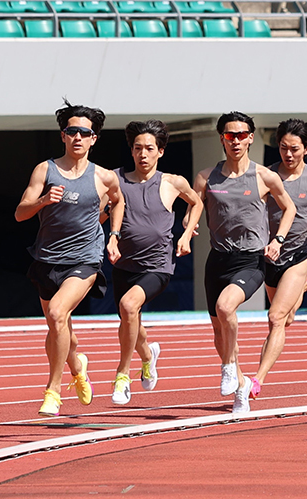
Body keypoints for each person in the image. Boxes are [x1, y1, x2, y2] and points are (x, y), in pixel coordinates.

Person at [15, 100, 123, 417]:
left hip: (85, 259)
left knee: (57, 313)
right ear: (63, 135)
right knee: (59, 327)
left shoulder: (104, 177)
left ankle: (53, 391)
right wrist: (43, 201)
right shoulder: (45, 170)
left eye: (84, 133)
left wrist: (113, 235)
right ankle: (77, 365)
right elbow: (20, 213)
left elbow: (118, 202)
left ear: (93, 139)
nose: (77, 137)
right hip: (47, 259)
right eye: (72, 131)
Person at [192, 111, 296, 414]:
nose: (235, 141)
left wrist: (277, 240)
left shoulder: (264, 176)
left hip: (250, 260)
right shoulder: (206, 177)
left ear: (250, 138)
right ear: (222, 139)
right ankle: (240, 387)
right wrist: (189, 228)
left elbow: (289, 209)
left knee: (226, 307)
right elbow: (194, 210)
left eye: (241, 135)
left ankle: (228, 366)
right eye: (230, 135)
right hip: (217, 260)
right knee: (219, 331)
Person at [106, 120, 203, 406]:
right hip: (124, 264)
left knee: (128, 306)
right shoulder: (116, 179)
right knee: (130, 320)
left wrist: (187, 232)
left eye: (149, 148)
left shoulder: (173, 182)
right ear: (131, 151)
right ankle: (148, 356)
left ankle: (122, 375)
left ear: (160, 151)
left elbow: (196, 203)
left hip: (158, 265)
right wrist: (110, 234)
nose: (143, 154)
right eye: (138, 148)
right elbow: (100, 211)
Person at [250, 118, 307, 399]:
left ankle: (257, 380)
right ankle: (304, 285)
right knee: (287, 319)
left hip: (300, 254)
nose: (288, 154)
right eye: (283, 148)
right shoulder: (266, 176)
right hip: (270, 256)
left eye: (294, 149)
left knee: (275, 317)